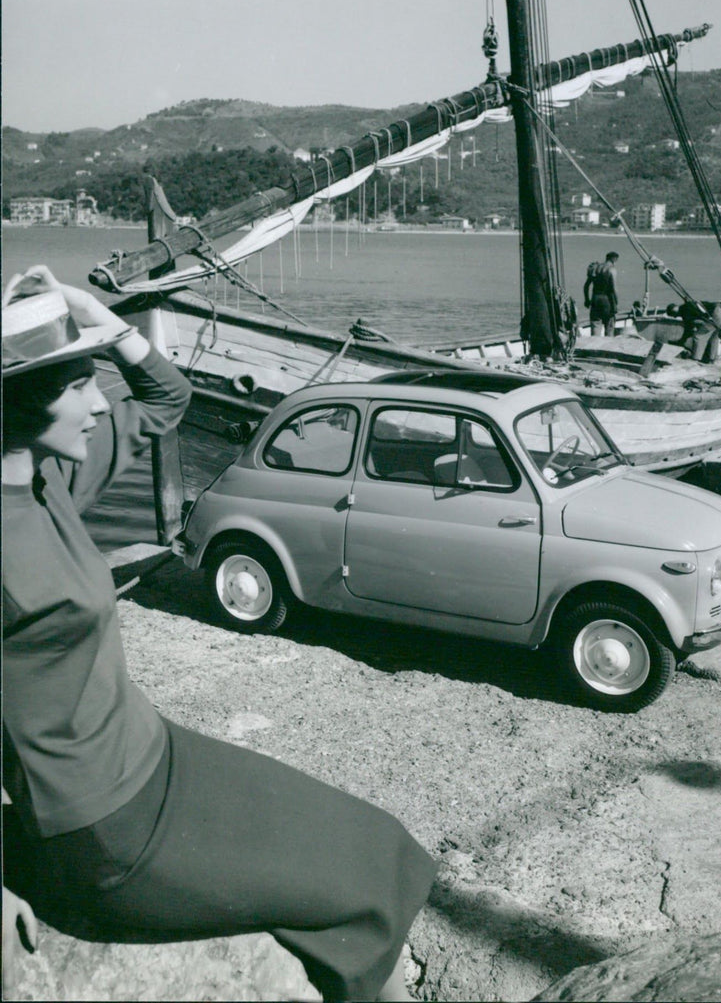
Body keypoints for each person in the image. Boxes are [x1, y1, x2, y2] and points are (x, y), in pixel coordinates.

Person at [2, 266, 437, 1002]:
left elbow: (166, 398)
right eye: (76, 383)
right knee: (351, 890)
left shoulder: (49, 478)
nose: (96, 403)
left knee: (375, 843)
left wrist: (101, 324)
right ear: (18, 401)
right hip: (110, 828)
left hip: (157, 753)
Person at [583, 251, 619, 336]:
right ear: (614, 260)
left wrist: (587, 300)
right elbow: (614, 289)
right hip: (607, 301)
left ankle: (595, 346)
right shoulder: (611, 270)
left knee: (596, 326)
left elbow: (586, 286)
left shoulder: (595, 268)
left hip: (595, 299)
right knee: (609, 328)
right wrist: (616, 303)